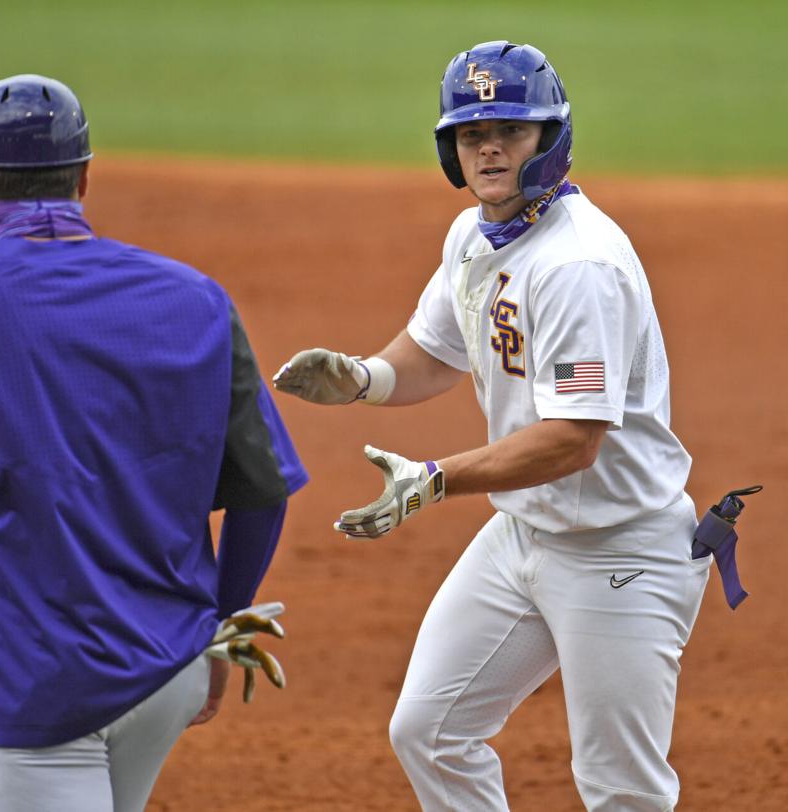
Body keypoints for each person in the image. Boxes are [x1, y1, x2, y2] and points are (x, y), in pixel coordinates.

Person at [0, 74, 307, 812]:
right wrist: (221, 629)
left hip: (30, 687)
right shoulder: (195, 297)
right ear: (84, 175)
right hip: (170, 665)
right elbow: (262, 490)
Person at [274, 41, 708, 811]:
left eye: (510, 128)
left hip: (621, 550)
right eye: (473, 135)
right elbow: (439, 350)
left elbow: (575, 439)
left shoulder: (578, 265)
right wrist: (362, 379)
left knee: (622, 792)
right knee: (430, 731)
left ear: (551, 137)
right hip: (523, 538)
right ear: (452, 149)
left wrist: (438, 480)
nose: (491, 148)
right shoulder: (474, 237)